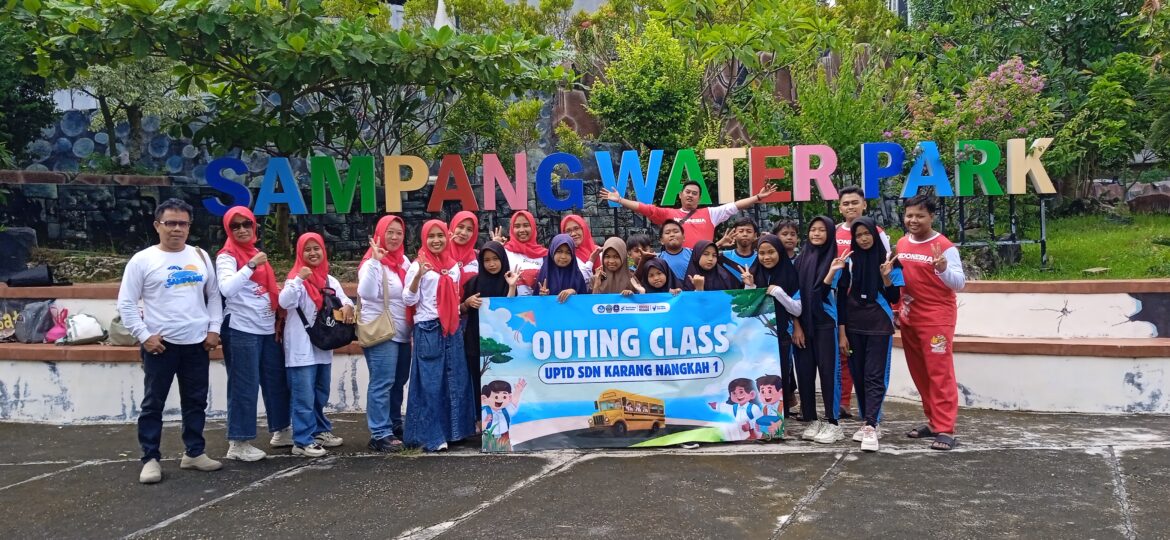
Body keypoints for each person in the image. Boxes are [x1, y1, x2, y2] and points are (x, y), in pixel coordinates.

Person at [118, 198, 224, 484]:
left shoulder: (200, 256)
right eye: (170, 223)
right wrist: (144, 336)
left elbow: (213, 296)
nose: (176, 229)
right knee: (154, 403)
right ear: (157, 225)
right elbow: (126, 304)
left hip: (197, 343)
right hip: (160, 345)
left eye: (183, 223)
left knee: (196, 401)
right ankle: (150, 458)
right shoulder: (143, 260)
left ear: (189, 227)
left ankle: (194, 452)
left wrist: (214, 329)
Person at [216, 206, 290, 462]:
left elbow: (266, 289)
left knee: (276, 380)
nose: (242, 229)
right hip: (241, 329)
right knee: (244, 386)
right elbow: (227, 288)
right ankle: (238, 441)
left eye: (246, 224)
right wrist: (249, 266)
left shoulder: (257, 252)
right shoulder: (227, 256)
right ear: (228, 229)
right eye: (235, 226)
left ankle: (281, 430)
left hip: (267, 328)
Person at [896, 194, 966, 451]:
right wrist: (896, 308)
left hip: (936, 319)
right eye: (909, 215)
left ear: (932, 217)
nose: (913, 220)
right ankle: (934, 421)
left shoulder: (944, 246)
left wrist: (943, 268)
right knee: (921, 372)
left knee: (940, 373)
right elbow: (900, 279)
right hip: (909, 317)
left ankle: (946, 428)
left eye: (920, 216)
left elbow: (959, 283)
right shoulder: (902, 243)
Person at [829, 217, 903, 452]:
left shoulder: (890, 261)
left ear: (875, 234)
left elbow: (894, 298)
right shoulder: (849, 263)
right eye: (858, 235)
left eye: (866, 234)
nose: (863, 239)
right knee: (859, 375)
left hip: (879, 325)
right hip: (853, 326)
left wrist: (885, 277)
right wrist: (842, 332)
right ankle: (867, 419)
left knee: (874, 375)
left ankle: (871, 424)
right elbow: (840, 298)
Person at [403, 220, 477, 452]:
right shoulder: (418, 265)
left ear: (448, 237)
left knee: (455, 381)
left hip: (451, 327)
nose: (436, 240)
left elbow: (455, 296)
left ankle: (454, 431)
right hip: (428, 328)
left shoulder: (453, 265)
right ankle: (429, 437)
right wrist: (418, 277)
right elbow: (408, 300)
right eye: (431, 236)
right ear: (424, 239)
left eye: (440, 236)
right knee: (431, 384)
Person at [279, 232, 355, 457]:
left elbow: (344, 299)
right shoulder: (295, 280)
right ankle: (302, 441)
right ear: (299, 253)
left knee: (320, 392)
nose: (313, 253)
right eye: (307, 249)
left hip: (323, 345)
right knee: (303, 396)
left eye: (317, 248)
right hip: (301, 348)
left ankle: (320, 430)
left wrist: (349, 306)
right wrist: (299, 279)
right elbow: (285, 301)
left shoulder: (330, 280)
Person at [834, 186, 892, 419]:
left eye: (855, 202)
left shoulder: (878, 232)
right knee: (845, 358)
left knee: (874, 370)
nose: (850, 207)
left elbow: (885, 268)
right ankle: (843, 403)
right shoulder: (834, 231)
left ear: (864, 204)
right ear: (840, 207)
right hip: (842, 304)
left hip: (874, 309)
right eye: (846, 203)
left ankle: (872, 415)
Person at [357, 215, 412, 453]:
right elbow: (366, 293)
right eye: (389, 231)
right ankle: (379, 433)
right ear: (380, 233)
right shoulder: (371, 262)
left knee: (398, 382)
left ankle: (393, 424)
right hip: (382, 333)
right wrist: (377, 263)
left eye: (398, 233)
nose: (394, 237)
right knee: (382, 382)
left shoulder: (403, 261)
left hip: (401, 332)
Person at [793, 216, 845, 444]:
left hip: (825, 323)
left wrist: (831, 272)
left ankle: (833, 422)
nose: (816, 234)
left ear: (830, 234)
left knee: (828, 373)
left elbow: (824, 293)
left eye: (821, 230)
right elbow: (793, 294)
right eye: (813, 229)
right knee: (804, 374)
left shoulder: (837, 261)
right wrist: (796, 325)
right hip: (803, 324)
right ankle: (812, 419)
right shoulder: (800, 259)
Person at [600, 180, 776, 248]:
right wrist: (621, 200)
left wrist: (758, 197)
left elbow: (734, 206)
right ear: (681, 195)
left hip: (704, 264)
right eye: (688, 192)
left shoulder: (710, 213)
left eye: (695, 193)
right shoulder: (669, 213)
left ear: (699, 198)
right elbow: (645, 208)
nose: (691, 195)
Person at [749, 234, 802, 420]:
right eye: (761, 253)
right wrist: (750, 286)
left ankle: (780, 417)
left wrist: (779, 292)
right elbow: (749, 310)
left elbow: (798, 309)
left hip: (783, 335)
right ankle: (763, 416)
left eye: (771, 252)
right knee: (761, 375)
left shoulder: (790, 274)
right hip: (759, 336)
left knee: (782, 375)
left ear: (779, 251)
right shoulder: (754, 272)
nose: (766, 257)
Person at [461, 241, 519, 409]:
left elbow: (510, 311)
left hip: (501, 341)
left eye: (495, 259)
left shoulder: (508, 282)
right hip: (474, 341)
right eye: (486, 260)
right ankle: (479, 420)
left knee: (501, 381)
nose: (491, 264)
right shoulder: (473, 283)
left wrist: (512, 287)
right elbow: (461, 309)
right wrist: (467, 302)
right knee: (476, 380)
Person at [493, 211, 546, 296]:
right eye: (517, 226)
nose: (522, 230)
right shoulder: (504, 252)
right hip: (509, 307)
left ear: (533, 227)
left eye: (526, 225)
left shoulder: (544, 255)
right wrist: (495, 248)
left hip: (537, 307)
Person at [535, 234, 589, 302]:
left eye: (568, 252)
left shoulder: (577, 275)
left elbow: (585, 301)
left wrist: (573, 292)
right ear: (552, 251)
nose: (563, 256)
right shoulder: (544, 274)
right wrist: (543, 296)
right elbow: (535, 304)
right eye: (559, 251)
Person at [681, 240, 746, 292]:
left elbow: (735, 299)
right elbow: (688, 305)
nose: (710, 259)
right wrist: (698, 290)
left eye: (714, 255)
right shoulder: (690, 278)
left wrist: (749, 285)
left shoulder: (724, 276)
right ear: (696, 255)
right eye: (706, 254)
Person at [560, 214, 600, 283]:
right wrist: (591, 261)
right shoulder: (565, 256)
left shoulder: (599, 252)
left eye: (576, 228)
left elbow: (607, 278)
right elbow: (576, 281)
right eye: (568, 231)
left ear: (583, 229)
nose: (573, 234)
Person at [718, 217, 759, 283]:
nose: (745, 234)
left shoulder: (760, 258)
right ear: (734, 234)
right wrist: (719, 244)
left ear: (755, 235)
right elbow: (698, 257)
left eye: (749, 231)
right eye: (741, 231)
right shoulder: (723, 256)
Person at [448, 210, 479, 286]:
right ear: (453, 226)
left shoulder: (477, 257)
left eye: (469, 230)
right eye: (460, 227)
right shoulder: (438, 254)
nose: (463, 233)